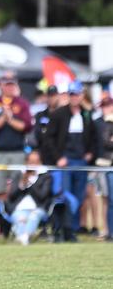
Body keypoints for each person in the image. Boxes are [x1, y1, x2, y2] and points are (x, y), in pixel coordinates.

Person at [43, 80, 98, 239]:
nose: (74, 97)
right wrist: (58, 157)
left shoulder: (87, 115)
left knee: (79, 197)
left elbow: (94, 138)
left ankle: (72, 229)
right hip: (65, 162)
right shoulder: (59, 114)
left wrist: (90, 154)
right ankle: (63, 229)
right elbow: (49, 139)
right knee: (66, 196)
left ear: (82, 96)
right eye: (72, 94)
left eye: (77, 94)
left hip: (81, 162)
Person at [0, 71, 32, 237]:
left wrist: (10, 118)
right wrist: (4, 117)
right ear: (1, 86)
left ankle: (15, 226)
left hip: (17, 152)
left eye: (12, 84)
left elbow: (26, 126)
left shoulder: (22, 103)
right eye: (7, 85)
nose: (9, 88)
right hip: (0, 153)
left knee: (16, 189)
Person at [5, 151, 53, 246]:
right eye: (30, 162)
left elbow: (42, 196)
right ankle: (24, 239)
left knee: (33, 217)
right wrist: (22, 184)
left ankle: (23, 237)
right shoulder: (19, 175)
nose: (33, 165)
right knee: (20, 218)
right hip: (19, 208)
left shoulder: (45, 176)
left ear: (40, 163)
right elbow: (11, 196)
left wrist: (31, 182)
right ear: (26, 163)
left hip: (38, 208)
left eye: (35, 162)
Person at [98, 97, 113, 241]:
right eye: (104, 106)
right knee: (108, 199)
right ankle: (108, 230)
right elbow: (106, 142)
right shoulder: (102, 123)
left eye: (108, 105)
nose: (106, 108)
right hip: (106, 165)